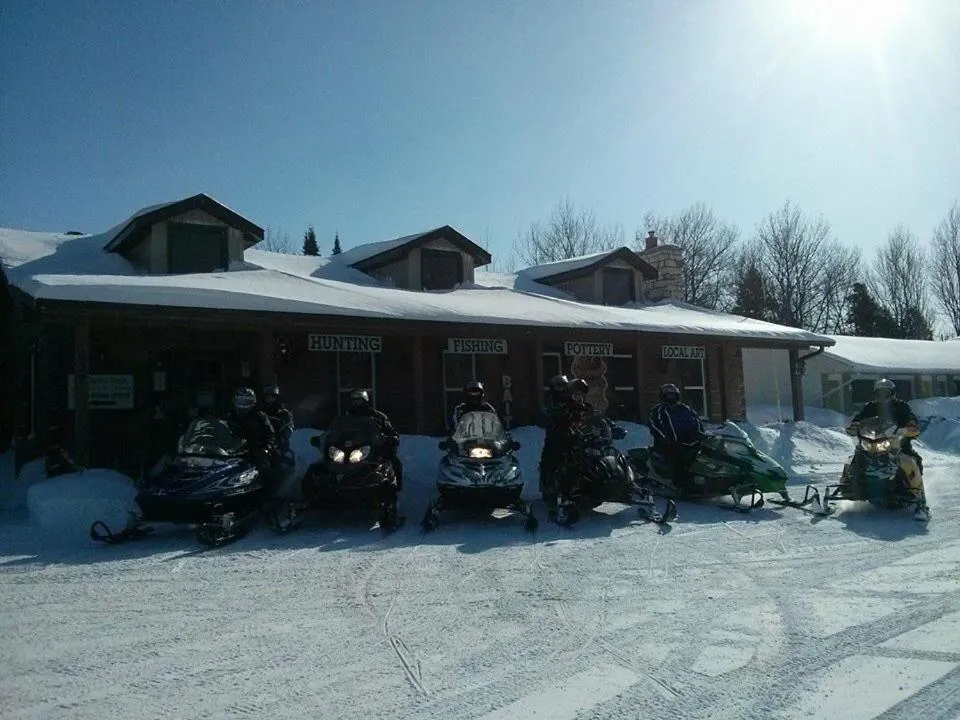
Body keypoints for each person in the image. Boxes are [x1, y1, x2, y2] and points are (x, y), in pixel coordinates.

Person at [846, 378, 926, 507]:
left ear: (892, 393)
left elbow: (910, 419)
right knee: (854, 459)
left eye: (886, 393)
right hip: (871, 441)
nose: (883, 396)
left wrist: (909, 428)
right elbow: (859, 419)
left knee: (911, 460)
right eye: (880, 393)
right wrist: (853, 427)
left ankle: (918, 494)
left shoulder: (901, 406)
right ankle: (847, 484)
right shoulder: (870, 407)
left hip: (897, 443)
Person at [648, 383, 704, 493]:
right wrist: (668, 440)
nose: (671, 398)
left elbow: (697, 422)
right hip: (667, 444)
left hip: (689, 442)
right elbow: (656, 427)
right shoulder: (658, 411)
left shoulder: (686, 409)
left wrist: (700, 435)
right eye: (668, 395)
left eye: (673, 395)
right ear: (663, 397)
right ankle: (679, 485)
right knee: (680, 457)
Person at [343, 389, 403, 490]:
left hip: (372, 448)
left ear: (365, 401)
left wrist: (391, 439)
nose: (356, 403)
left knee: (393, 462)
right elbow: (337, 430)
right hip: (350, 449)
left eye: (359, 400)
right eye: (354, 400)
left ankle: (394, 486)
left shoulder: (377, 416)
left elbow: (390, 431)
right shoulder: (346, 417)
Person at [226, 387, 279, 476]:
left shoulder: (260, 416)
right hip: (231, 453)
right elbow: (221, 432)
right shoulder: (229, 417)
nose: (243, 405)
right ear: (235, 401)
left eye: (246, 402)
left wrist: (265, 448)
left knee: (265, 471)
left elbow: (270, 434)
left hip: (254, 452)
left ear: (252, 402)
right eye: (240, 401)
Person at [260, 384, 294, 454]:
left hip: (277, 444)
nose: (269, 399)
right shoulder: (259, 411)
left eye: (271, 397)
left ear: (276, 398)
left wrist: (278, 438)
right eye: (267, 397)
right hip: (260, 442)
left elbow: (288, 430)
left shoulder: (283, 413)